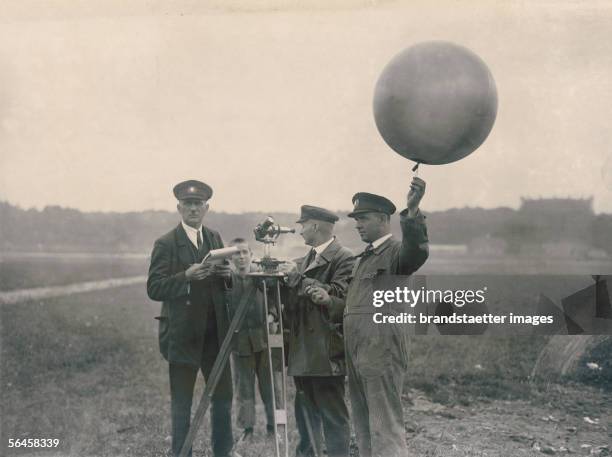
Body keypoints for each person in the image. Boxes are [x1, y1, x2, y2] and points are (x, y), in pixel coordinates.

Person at [308, 177, 429, 457]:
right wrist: (330, 301)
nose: (357, 224)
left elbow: (418, 249)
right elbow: (356, 308)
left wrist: (412, 210)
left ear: (384, 219)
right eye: (356, 219)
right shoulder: (364, 258)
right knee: (363, 423)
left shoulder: (397, 254)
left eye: (363, 218)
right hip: (359, 349)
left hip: (381, 348)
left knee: (383, 424)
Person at [146, 179, 233, 457]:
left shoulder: (215, 238)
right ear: (178, 207)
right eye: (188, 204)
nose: (193, 209)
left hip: (215, 334)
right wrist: (186, 276)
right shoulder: (166, 243)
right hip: (183, 335)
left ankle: (223, 452)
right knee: (182, 402)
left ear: (206, 208)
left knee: (223, 398)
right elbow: (154, 287)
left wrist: (226, 276)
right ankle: (181, 453)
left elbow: (224, 285)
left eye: (198, 204)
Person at [283, 205, 354, 457]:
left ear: (315, 226)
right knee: (305, 414)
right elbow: (293, 301)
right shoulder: (305, 260)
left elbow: (339, 296)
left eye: (303, 225)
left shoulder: (344, 257)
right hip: (303, 350)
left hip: (325, 351)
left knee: (333, 415)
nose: (300, 231)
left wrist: (298, 280)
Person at [227, 238, 275, 442]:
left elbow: (274, 297)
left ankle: (274, 427)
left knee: (271, 386)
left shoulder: (262, 277)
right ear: (230, 258)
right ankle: (247, 429)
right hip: (240, 344)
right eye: (236, 253)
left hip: (264, 340)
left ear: (251, 255)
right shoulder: (227, 281)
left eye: (245, 252)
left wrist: (273, 314)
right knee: (244, 388)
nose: (241, 256)